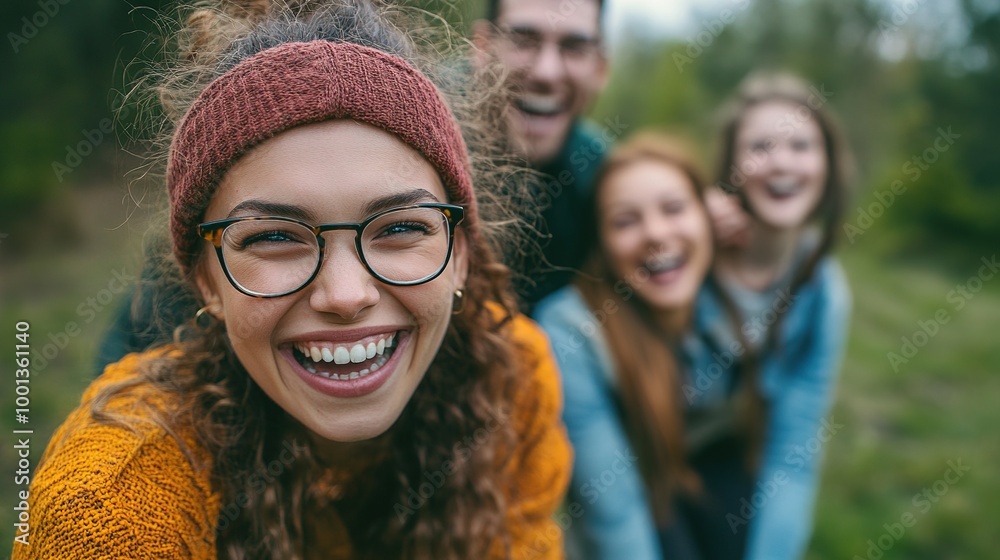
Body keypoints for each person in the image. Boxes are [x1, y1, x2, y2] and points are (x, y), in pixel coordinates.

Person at [16, 2, 571, 559]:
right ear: (207, 280)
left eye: (400, 227)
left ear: (461, 257)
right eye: (276, 237)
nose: (346, 295)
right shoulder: (112, 503)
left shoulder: (513, 386)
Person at [95, 0, 611, 373]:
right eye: (524, 39)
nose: (546, 70)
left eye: (574, 46)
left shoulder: (602, 177)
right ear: (482, 47)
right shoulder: (392, 104)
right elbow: (145, 349)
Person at [535, 132, 716, 560]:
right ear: (601, 245)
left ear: (709, 215)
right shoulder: (572, 329)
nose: (655, 233)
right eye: (625, 221)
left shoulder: (731, 297)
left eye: (674, 208)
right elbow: (613, 514)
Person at [698, 71, 853, 559]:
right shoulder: (686, 253)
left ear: (827, 163)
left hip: (726, 460)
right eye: (760, 146)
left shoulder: (825, 294)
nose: (782, 162)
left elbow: (793, 453)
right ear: (731, 164)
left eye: (802, 145)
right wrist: (686, 229)